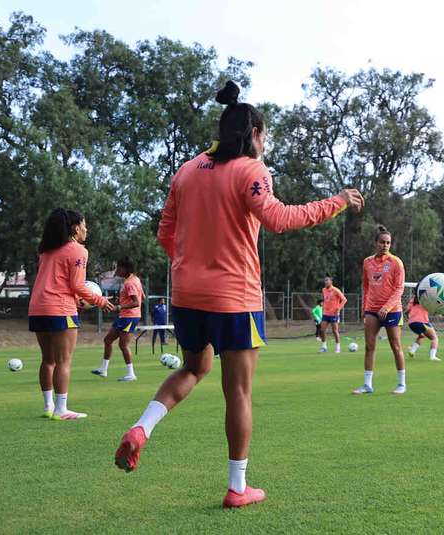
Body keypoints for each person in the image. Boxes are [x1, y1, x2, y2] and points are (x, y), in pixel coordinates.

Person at [113, 80, 364, 508]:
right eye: (264, 135)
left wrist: (188, 263)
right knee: (239, 394)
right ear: (252, 135)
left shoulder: (187, 171)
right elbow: (280, 218)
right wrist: (337, 200)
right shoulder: (251, 170)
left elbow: (164, 232)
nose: (265, 143)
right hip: (235, 298)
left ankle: (142, 427)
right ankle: (237, 487)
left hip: (188, 296)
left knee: (193, 369)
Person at [28, 208, 115, 420]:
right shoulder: (78, 251)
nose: (87, 229)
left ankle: (48, 407)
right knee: (63, 362)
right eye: (84, 225)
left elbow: (57, 282)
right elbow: (76, 284)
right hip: (59, 309)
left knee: (47, 360)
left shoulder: (46, 250)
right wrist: (100, 300)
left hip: (38, 308)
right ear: (75, 228)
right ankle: (61, 409)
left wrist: (77, 300)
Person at [353, 225, 406, 395]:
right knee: (369, 346)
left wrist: (387, 307)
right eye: (382, 242)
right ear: (376, 243)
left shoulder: (396, 262)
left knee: (395, 346)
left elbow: (399, 289)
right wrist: (364, 308)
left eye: (388, 243)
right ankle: (367, 385)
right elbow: (366, 286)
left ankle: (401, 384)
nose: (385, 245)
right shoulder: (367, 262)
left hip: (392, 310)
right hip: (372, 310)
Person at [91, 257, 145, 381]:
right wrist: (120, 300)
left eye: (118, 268)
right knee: (108, 340)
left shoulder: (130, 283)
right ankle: (103, 370)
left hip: (129, 317)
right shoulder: (135, 279)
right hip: (125, 316)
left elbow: (137, 302)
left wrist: (119, 306)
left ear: (125, 268)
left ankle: (131, 374)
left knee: (123, 345)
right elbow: (143, 297)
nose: (116, 271)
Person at [406, 295, 440, 362]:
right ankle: (432, 357)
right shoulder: (425, 299)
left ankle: (412, 351)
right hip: (422, 322)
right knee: (434, 338)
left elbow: (407, 311)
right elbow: (432, 309)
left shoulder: (412, 300)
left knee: (421, 336)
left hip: (411, 323)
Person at [318, 275, 347, 354]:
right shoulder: (323, 290)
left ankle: (338, 347)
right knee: (322, 329)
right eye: (325, 280)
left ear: (331, 281)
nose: (326, 282)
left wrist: (338, 308)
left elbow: (344, 300)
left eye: (327, 280)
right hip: (325, 314)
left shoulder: (336, 290)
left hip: (334, 314)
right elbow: (326, 300)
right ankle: (324, 346)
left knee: (335, 331)